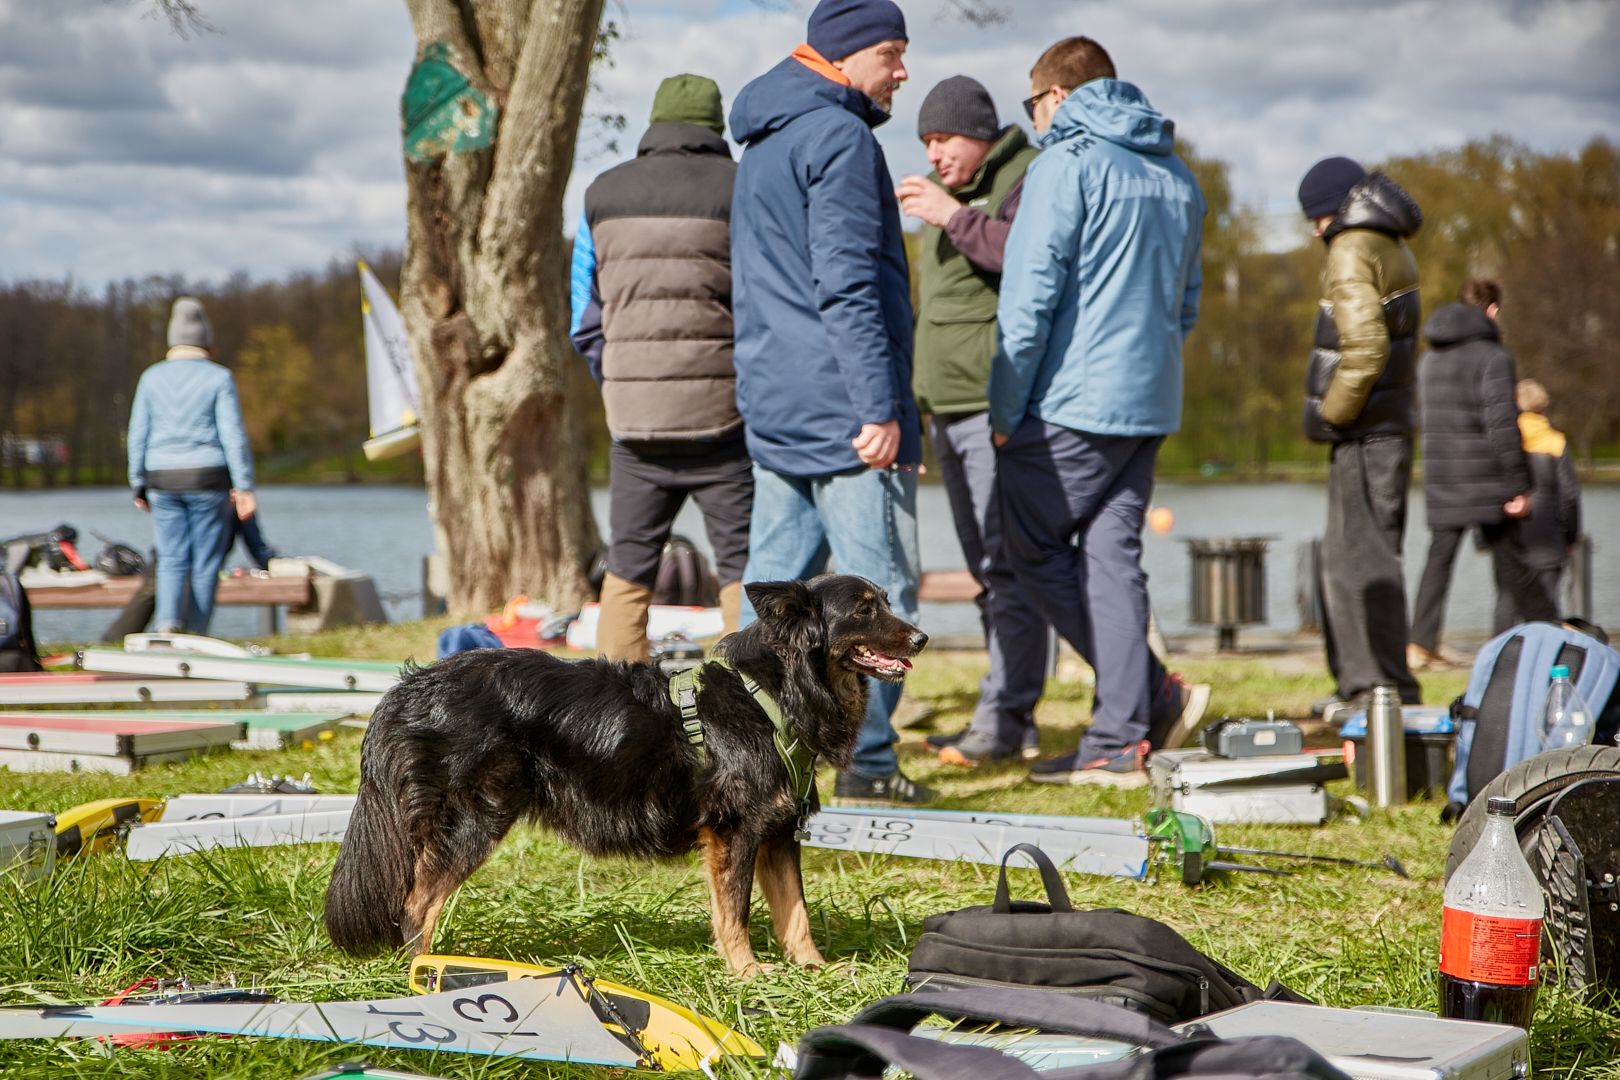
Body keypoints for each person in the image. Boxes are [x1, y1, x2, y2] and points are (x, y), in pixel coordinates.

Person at [989, 37, 1210, 787]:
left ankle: (1145, 697)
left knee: (1031, 549)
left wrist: (1003, 404)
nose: (1035, 120)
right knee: (1111, 558)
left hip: (1069, 404)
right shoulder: (1177, 175)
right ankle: (1121, 736)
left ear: (1056, 97)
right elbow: (1185, 305)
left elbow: (1029, 299)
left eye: (1033, 105)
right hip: (1150, 400)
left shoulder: (1066, 163)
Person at [728, 0, 932, 803]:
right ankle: (871, 765)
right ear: (846, 56)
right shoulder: (840, 136)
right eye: (891, 53)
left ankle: (741, 746)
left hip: (778, 399)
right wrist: (881, 407)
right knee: (882, 600)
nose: (902, 71)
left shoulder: (766, 139)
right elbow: (848, 284)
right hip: (846, 407)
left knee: (774, 593)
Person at [570, 74, 753, 662]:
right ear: (714, 125)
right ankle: (751, 707)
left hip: (635, 428)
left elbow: (585, 317)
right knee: (741, 569)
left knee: (627, 570)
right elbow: (762, 303)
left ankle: (615, 716)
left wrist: (621, 383)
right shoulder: (742, 186)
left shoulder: (602, 193)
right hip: (725, 424)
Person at [894, 76, 1046, 766]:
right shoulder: (951, 186)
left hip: (994, 406)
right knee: (987, 569)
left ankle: (1005, 719)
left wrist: (953, 215)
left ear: (978, 130)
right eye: (926, 141)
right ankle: (1008, 715)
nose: (934, 153)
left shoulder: (1023, 174)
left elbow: (1027, 259)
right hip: (947, 409)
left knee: (1005, 565)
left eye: (944, 139)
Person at [1297, 156, 1423, 720]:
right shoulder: (1389, 243)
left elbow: (1366, 348)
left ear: (1329, 211)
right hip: (1388, 431)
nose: (1313, 233)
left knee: (1354, 565)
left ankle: (1371, 691)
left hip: (1365, 432)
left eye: (1313, 219)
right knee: (1374, 557)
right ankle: (1378, 687)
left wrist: (1332, 414)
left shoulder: (1350, 249)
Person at [1408, 278, 1539, 669]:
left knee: (1438, 560)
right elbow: (1501, 424)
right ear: (1493, 311)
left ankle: (1419, 642)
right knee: (1513, 562)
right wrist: (1519, 485)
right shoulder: (1492, 356)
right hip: (1486, 482)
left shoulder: (1428, 358)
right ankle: (1536, 636)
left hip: (1442, 478)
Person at [127, 297, 256, 634]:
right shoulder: (219, 378)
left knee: (170, 557)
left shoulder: (150, 378)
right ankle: (197, 632)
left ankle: (168, 626)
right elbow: (233, 436)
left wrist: (137, 482)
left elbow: (138, 433)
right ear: (206, 339)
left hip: (161, 479)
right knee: (205, 562)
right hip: (207, 479)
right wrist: (243, 486)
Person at [1508, 378, 1581, 628]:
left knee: (1507, 604)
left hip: (1511, 537)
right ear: (1543, 407)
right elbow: (1569, 496)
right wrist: (1570, 537)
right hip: (1548, 538)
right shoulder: (1555, 442)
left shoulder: (1505, 444)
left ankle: (1502, 659)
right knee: (1548, 607)